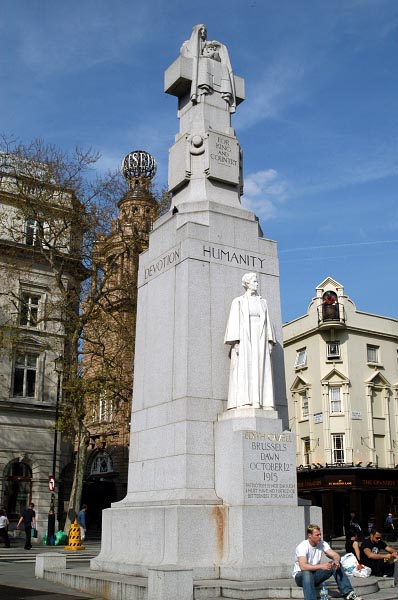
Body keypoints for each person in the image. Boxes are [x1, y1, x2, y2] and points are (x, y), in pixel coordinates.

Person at [224, 273, 275, 409]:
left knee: (261, 368)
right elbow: (234, 321)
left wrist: (270, 341)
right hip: (245, 338)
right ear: (247, 284)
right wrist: (236, 342)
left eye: (257, 281)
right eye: (254, 281)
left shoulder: (263, 302)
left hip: (260, 336)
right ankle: (245, 401)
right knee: (245, 369)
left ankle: (264, 402)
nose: (257, 284)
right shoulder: (238, 301)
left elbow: (268, 322)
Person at [293, 524, 363, 600]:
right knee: (307, 572)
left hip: (315, 575)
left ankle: (349, 593)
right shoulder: (302, 546)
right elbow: (303, 567)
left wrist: (336, 561)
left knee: (335, 565)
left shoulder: (322, 543)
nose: (320, 537)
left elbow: (335, 555)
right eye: (317, 535)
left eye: (320, 534)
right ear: (310, 536)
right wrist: (321, 566)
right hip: (301, 577)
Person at [180, 23, 236, 112]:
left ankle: (225, 90)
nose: (203, 32)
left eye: (205, 30)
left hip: (213, 65)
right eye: (201, 30)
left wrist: (216, 51)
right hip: (202, 65)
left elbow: (218, 55)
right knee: (204, 63)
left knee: (223, 67)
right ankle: (204, 87)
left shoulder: (210, 44)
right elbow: (188, 55)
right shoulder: (188, 44)